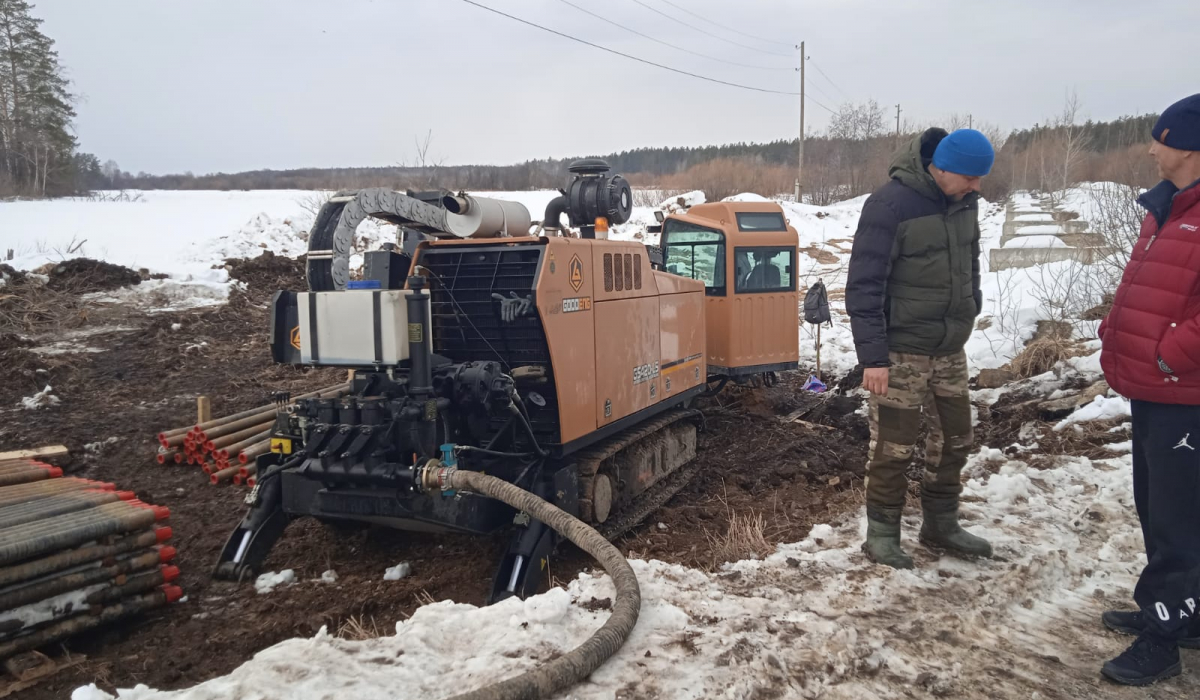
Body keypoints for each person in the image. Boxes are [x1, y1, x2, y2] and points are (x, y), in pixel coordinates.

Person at [845, 127, 994, 569]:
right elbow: (864, 286)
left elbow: (970, 264)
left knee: (955, 438)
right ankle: (883, 535)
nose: (977, 187)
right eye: (970, 177)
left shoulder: (964, 204)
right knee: (894, 445)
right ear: (941, 167)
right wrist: (873, 358)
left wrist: (970, 308)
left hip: (949, 347)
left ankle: (941, 522)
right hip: (901, 351)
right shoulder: (889, 205)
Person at [1097, 93, 1200, 687]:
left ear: (1188, 145)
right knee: (1163, 507)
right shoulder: (1166, 208)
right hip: (1156, 390)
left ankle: (1163, 635)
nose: (1151, 148)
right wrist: (1117, 329)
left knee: (1176, 517)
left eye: (1159, 138)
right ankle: (1184, 614)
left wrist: (1166, 355)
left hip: (1183, 392)